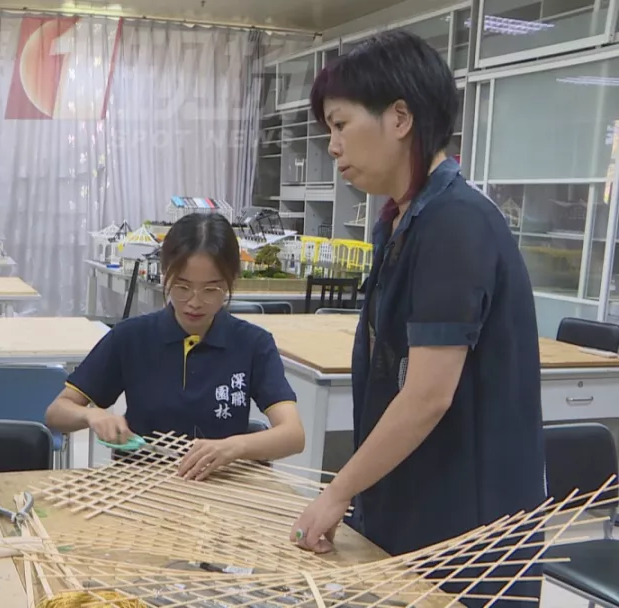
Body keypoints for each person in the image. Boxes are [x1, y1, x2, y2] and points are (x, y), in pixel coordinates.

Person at [291, 31, 545, 606]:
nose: (332, 145)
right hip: (416, 499)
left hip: (465, 523)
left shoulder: (455, 222)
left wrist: (337, 492)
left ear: (400, 117)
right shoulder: (402, 221)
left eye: (340, 124)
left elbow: (428, 394)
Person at [45, 214, 305, 480]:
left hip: (218, 488)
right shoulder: (131, 337)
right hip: (140, 485)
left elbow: (293, 435)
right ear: (164, 274)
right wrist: (93, 416)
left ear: (231, 282)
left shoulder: (253, 344)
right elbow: (57, 412)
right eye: (182, 287)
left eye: (211, 290)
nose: (195, 302)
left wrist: (236, 447)